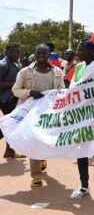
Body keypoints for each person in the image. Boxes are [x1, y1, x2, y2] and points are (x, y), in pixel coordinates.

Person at [12, 44, 64, 187]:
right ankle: (36, 175)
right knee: (34, 140)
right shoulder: (25, 72)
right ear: (35, 54)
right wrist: (29, 92)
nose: (41, 56)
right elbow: (15, 90)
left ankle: (42, 157)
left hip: (49, 113)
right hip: (30, 113)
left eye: (44, 53)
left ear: (49, 55)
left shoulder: (58, 72)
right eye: (38, 53)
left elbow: (62, 91)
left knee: (45, 140)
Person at [69, 41, 94, 198]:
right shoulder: (79, 67)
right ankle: (84, 186)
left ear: (91, 52)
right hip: (80, 114)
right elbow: (74, 86)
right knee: (81, 150)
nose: (77, 52)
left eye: (81, 50)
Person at [0, 44, 23, 158]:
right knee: (9, 124)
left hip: (13, 99)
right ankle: (10, 151)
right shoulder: (3, 65)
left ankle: (10, 151)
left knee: (12, 125)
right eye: (14, 52)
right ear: (7, 52)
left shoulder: (16, 64)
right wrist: (15, 84)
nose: (17, 54)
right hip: (5, 99)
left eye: (18, 52)